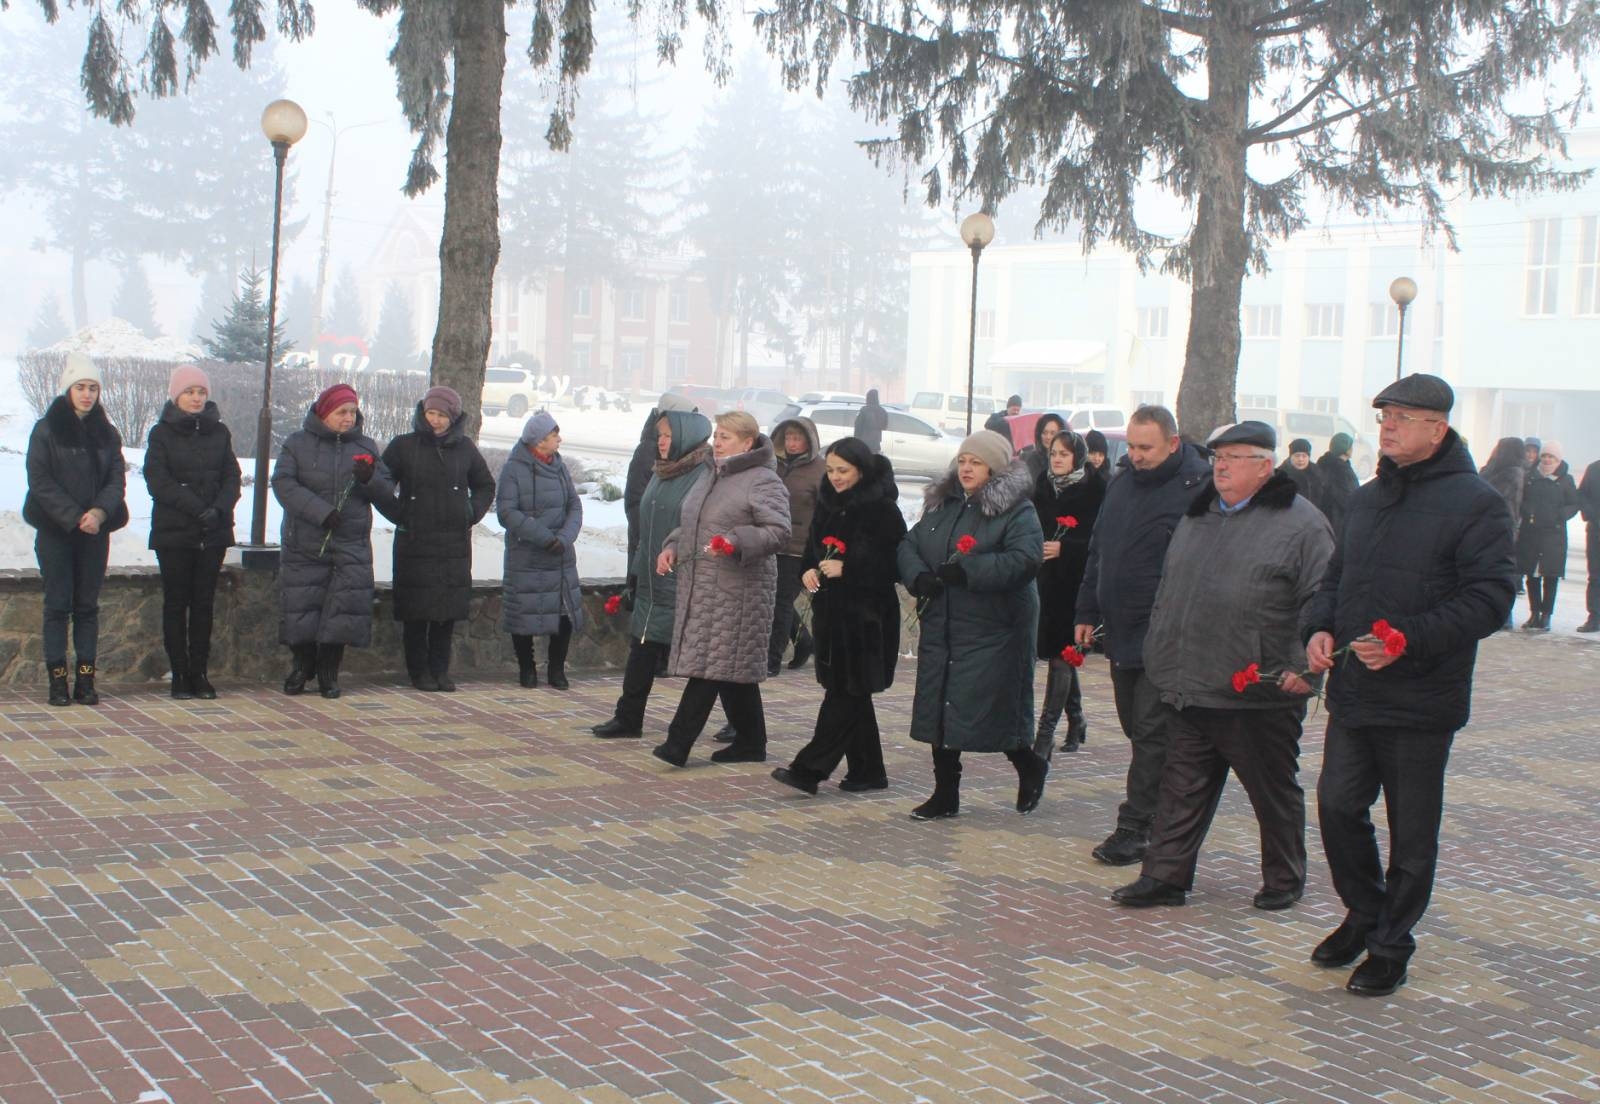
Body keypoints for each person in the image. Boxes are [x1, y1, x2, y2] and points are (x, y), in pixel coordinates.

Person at [1305, 373, 1514, 997]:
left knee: (1412, 833)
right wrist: (1317, 626)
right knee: (1338, 807)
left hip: (1422, 697)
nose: (1387, 427)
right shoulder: (1368, 497)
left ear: (1437, 428)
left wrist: (1408, 639)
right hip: (1355, 691)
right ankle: (1364, 912)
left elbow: (1492, 599)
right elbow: (1338, 577)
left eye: (1401, 417)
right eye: (1383, 417)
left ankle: (1392, 944)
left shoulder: (1478, 503)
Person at [1111, 421, 1333, 911]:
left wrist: (1305, 669)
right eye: (1218, 457)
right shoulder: (1200, 515)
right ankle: (1165, 876)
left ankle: (1284, 876)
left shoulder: (1302, 524)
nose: (1223, 466)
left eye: (1236, 457)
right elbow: (1171, 590)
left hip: (1258, 688)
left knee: (1270, 790)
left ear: (1265, 465)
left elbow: (1322, 603)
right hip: (1190, 681)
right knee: (1181, 786)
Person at [1074, 404, 1211, 865]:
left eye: (1145, 447)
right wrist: (1087, 609)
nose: (1135, 455)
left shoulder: (1198, 488)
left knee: (1153, 732)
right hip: (1121, 630)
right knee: (1138, 728)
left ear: (1173, 443)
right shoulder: (1122, 483)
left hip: (1167, 634)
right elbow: (1099, 551)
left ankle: (1137, 828)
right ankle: (1166, 813)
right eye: (1131, 446)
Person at [898, 429, 1047, 819]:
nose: (966, 468)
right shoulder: (943, 504)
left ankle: (1027, 763)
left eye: (976, 462)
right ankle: (945, 793)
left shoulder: (1016, 510)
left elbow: (1026, 559)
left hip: (994, 628)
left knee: (989, 707)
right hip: (945, 623)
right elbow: (909, 545)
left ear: (994, 467)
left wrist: (970, 572)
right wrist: (919, 577)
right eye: (963, 460)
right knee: (941, 706)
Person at [652, 412, 791, 767]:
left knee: (708, 667)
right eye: (716, 435)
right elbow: (693, 525)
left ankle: (676, 745)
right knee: (732, 670)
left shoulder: (763, 480)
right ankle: (751, 743)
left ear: (748, 443)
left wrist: (734, 541)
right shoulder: (711, 474)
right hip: (704, 586)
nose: (717, 442)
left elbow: (778, 531)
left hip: (739, 591)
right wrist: (671, 547)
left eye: (726, 437)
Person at [771, 438, 907, 795]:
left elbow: (896, 565)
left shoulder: (882, 510)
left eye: (843, 471)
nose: (835, 477)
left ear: (861, 469)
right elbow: (812, 551)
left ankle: (809, 769)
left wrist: (851, 568)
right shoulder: (828, 503)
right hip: (832, 617)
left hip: (867, 620)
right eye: (830, 470)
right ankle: (868, 771)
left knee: (845, 695)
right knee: (850, 693)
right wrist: (809, 572)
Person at [593, 409, 714, 738]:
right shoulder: (663, 471)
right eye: (659, 435)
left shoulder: (705, 474)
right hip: (650, 576)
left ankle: (745, 727)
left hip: (683, 579)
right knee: (642, 649)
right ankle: (628, 717)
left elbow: (700, 527)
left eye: (668, 436)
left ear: (685, 438)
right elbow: (646, 525)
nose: (661, 442)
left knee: (706, 658)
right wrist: (636, 569)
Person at [272, 382, 395, 699]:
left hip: (349, 543)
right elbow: (284, 484)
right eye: (342, 412)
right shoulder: (297, 444)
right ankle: (302, 666)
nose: (348, 418)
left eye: (353, 412)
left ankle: (329, 672)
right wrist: (320, 512)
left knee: (340, 611)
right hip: (305, 541)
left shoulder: (365, 448)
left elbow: (383, 491)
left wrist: (370, 481)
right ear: (325, 413)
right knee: (302, 607)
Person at [23, 352, 128, 707]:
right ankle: (57, 681)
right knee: (57, 605)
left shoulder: (107, 433)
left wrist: (98, 513)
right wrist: (73, 516)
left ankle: (86, 680)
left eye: (93, 388)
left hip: (94, 533)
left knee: (87, 606)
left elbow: (116, 478)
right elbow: (40, 480)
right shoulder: (47, 429)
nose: (87, 394)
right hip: (56, 531)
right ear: (68, 389)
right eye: (81, 387)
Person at [378, 385, 495, 692]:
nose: (436, 420)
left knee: (446, 613)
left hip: (453, 544)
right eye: (431, 413)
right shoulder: (404, 446)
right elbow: (380, 484)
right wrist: (402, 513)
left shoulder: (465, 449)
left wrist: (469, 512)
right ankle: (419, 672)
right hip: (414, 542)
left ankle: (440, 670)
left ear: (453, 417)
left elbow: (485, 485)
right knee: (417, 613)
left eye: (442, 415)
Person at [144, 365, 241, 700]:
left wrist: (218, 508)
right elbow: (158, 481)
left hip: (213, 531)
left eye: (201, 392)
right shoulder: (161, 434)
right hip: (175, 532)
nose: (197, 398)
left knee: (203, 603)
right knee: (176, 602)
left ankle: (200, 672)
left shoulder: (220, 432)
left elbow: (232, 476)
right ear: (177, 396)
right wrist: (195, 506)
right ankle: (180, 673)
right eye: (190, 392)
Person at [1030, 430, 1105, 757]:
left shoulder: (1096, 490)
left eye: (1064, 454)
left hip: (1078, 588)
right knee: (1061, 658)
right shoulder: (1042, 488)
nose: (1057, 459)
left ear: (1078, 456)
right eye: (1054, 453)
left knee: (1063, 659)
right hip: (1046, 585)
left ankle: (1044, 736)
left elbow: (1100, 542)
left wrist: (1066, 548)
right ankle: (1076, 719)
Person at [498, 411, 584, 689]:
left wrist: (565, 537)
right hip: (528, 556)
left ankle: (556, 669)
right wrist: (543, 537)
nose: (559, 439)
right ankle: (527, 668)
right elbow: (507, 512)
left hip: (560, 554)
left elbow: (574, 505)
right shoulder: (514, 469)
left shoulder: (559, 466)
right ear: (539, 441)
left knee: (563, 614)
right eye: (554, 435)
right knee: (524, 614)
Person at [767, 416, 822, 676]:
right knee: (775, 600)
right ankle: (804, 642)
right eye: (788, 437)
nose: (791, 443)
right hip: (771, 543)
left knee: (781, 602)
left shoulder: (819, 470)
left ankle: (772, 659)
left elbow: (826, 511)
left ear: (809, 441)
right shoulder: (773, 465)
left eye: (797, 438)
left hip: (798, 548)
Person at [1516, 440, 1580, 632]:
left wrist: (1560, 515)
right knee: (1531, 576)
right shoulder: (1530, 477)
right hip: (1531, 534)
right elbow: (1522, 500)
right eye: (1544, 456)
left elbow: (1574, 504)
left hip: (1554, 536)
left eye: (1551, 456)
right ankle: (1534, 613)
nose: (1547, 459)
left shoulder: (1565, 480)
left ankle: (1546, 616)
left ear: (1558, 459)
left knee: (1550, 577)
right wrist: (1528, 512)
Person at [1479, 437, 1528, 630]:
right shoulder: (1502, 471)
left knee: (1498, 574)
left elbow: (1498, 499)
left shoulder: (1510, 473)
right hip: (1496, 528)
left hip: (1497, 529)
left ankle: (1503, 616)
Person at [1313, 432, 1360, 534]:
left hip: (1322, 522)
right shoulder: (1342, 470)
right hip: (1338, 523)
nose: (1352, 449)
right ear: (1345, 449)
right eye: (1350, 446)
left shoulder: (1323, 465)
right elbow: (1349, 498)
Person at [1277, 437, 1324, 514]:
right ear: (1290, 456)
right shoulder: (1281, 475)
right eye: (1297, 456)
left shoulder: (1316, 474)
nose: (1300, 459)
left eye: (1304, 456)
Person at [1580, 455, 1600, 633]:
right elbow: (1582, 494)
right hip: (1596, 531)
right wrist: (1591, 514)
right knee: (1595, 576)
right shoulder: (1594, 469)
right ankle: (1594, 616)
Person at [1019, 413, 1065, 480]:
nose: (1048, 437)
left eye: (1053, 433)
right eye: (1044, 432)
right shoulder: (1029, 459)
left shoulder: (1069, 459)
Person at [852, 389, 889, 454]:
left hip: (863, 442)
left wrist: (856, 441)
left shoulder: (864, 410)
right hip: (876, 443)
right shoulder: (883, 411)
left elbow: (858, 426)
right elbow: (884, 426)